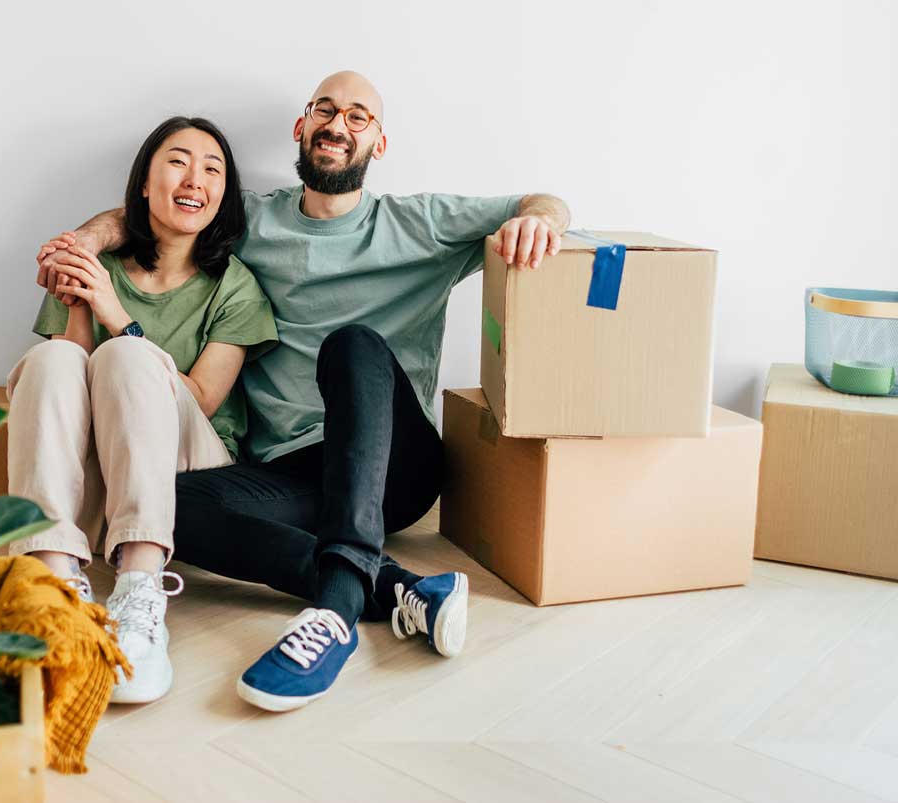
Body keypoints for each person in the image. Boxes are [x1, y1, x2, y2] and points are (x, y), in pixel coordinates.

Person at [37, 71, 570, 712]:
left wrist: (540, 219)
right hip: (288, 469)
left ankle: (336, 609)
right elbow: (150, 213)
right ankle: (396, 588)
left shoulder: (420, 222)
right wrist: (88, 240)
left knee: (351, 345)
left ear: (378, 141)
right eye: (324, 109)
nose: (338, 124)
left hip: (391, 464)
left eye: (358, 116)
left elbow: (539, 201)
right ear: (302, 127)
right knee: (163, 506)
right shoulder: (251, 218)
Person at [6, 116, 277, 705]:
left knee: (128, 354)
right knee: (51, 363)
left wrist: (115, 316)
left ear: (222, 196)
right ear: (146, 186)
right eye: (177, 161)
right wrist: (83, 297)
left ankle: (139, 591)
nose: (195, 178)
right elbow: (69, 378)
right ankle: (53, 586)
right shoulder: (96, 264)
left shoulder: (236, 287)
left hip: (190, 470)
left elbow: (202, 397)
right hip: (104, 469)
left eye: (213, 169)